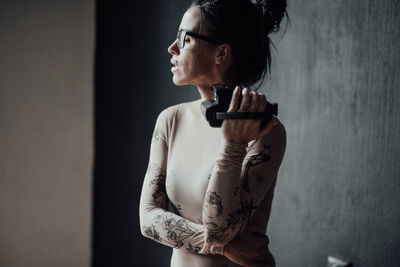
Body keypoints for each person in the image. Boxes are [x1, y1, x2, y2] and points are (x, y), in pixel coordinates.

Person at [139, 0, 287, 266]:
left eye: (184, 38)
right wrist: (223, 248)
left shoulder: (265, 132)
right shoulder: (170, 120)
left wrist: (232, 147)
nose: (172, 48)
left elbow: (220, 230)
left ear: (222, 53)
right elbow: (148, 219)